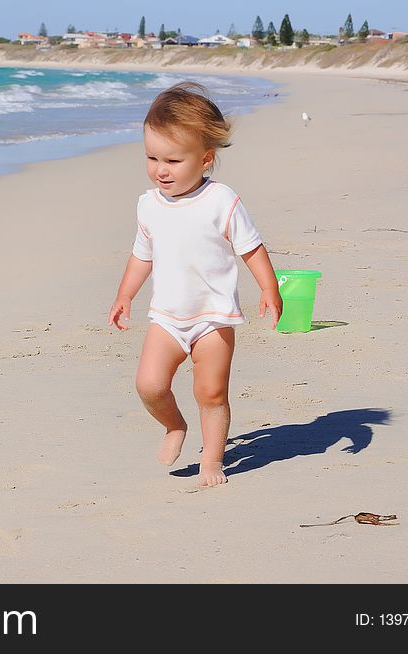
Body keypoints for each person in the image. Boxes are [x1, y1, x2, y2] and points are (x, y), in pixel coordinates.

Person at [107, 82, 282, 488]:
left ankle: (212, 461)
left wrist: (269, 290)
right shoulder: (148, 204)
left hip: (213, 318)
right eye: (151, 157)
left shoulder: (222, 201)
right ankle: (174, 426)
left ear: (205, 159)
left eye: (172, 159)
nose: (160, 169)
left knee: (212, 393)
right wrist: (124, 294)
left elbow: (251, 249)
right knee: (149, 385)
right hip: (167, 316)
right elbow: (141, 255)